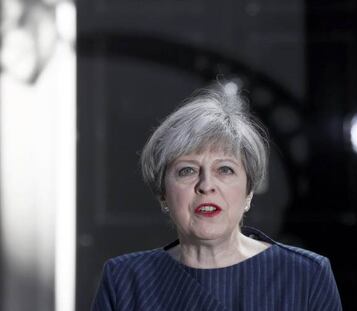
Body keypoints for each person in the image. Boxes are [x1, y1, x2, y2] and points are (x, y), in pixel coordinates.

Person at [92, 83, 342, 310]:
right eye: (187, 170)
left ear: (249, 192)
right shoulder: (124, 280)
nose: (206, 185)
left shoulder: (307, 275)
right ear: (163, 195)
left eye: (225, 169)